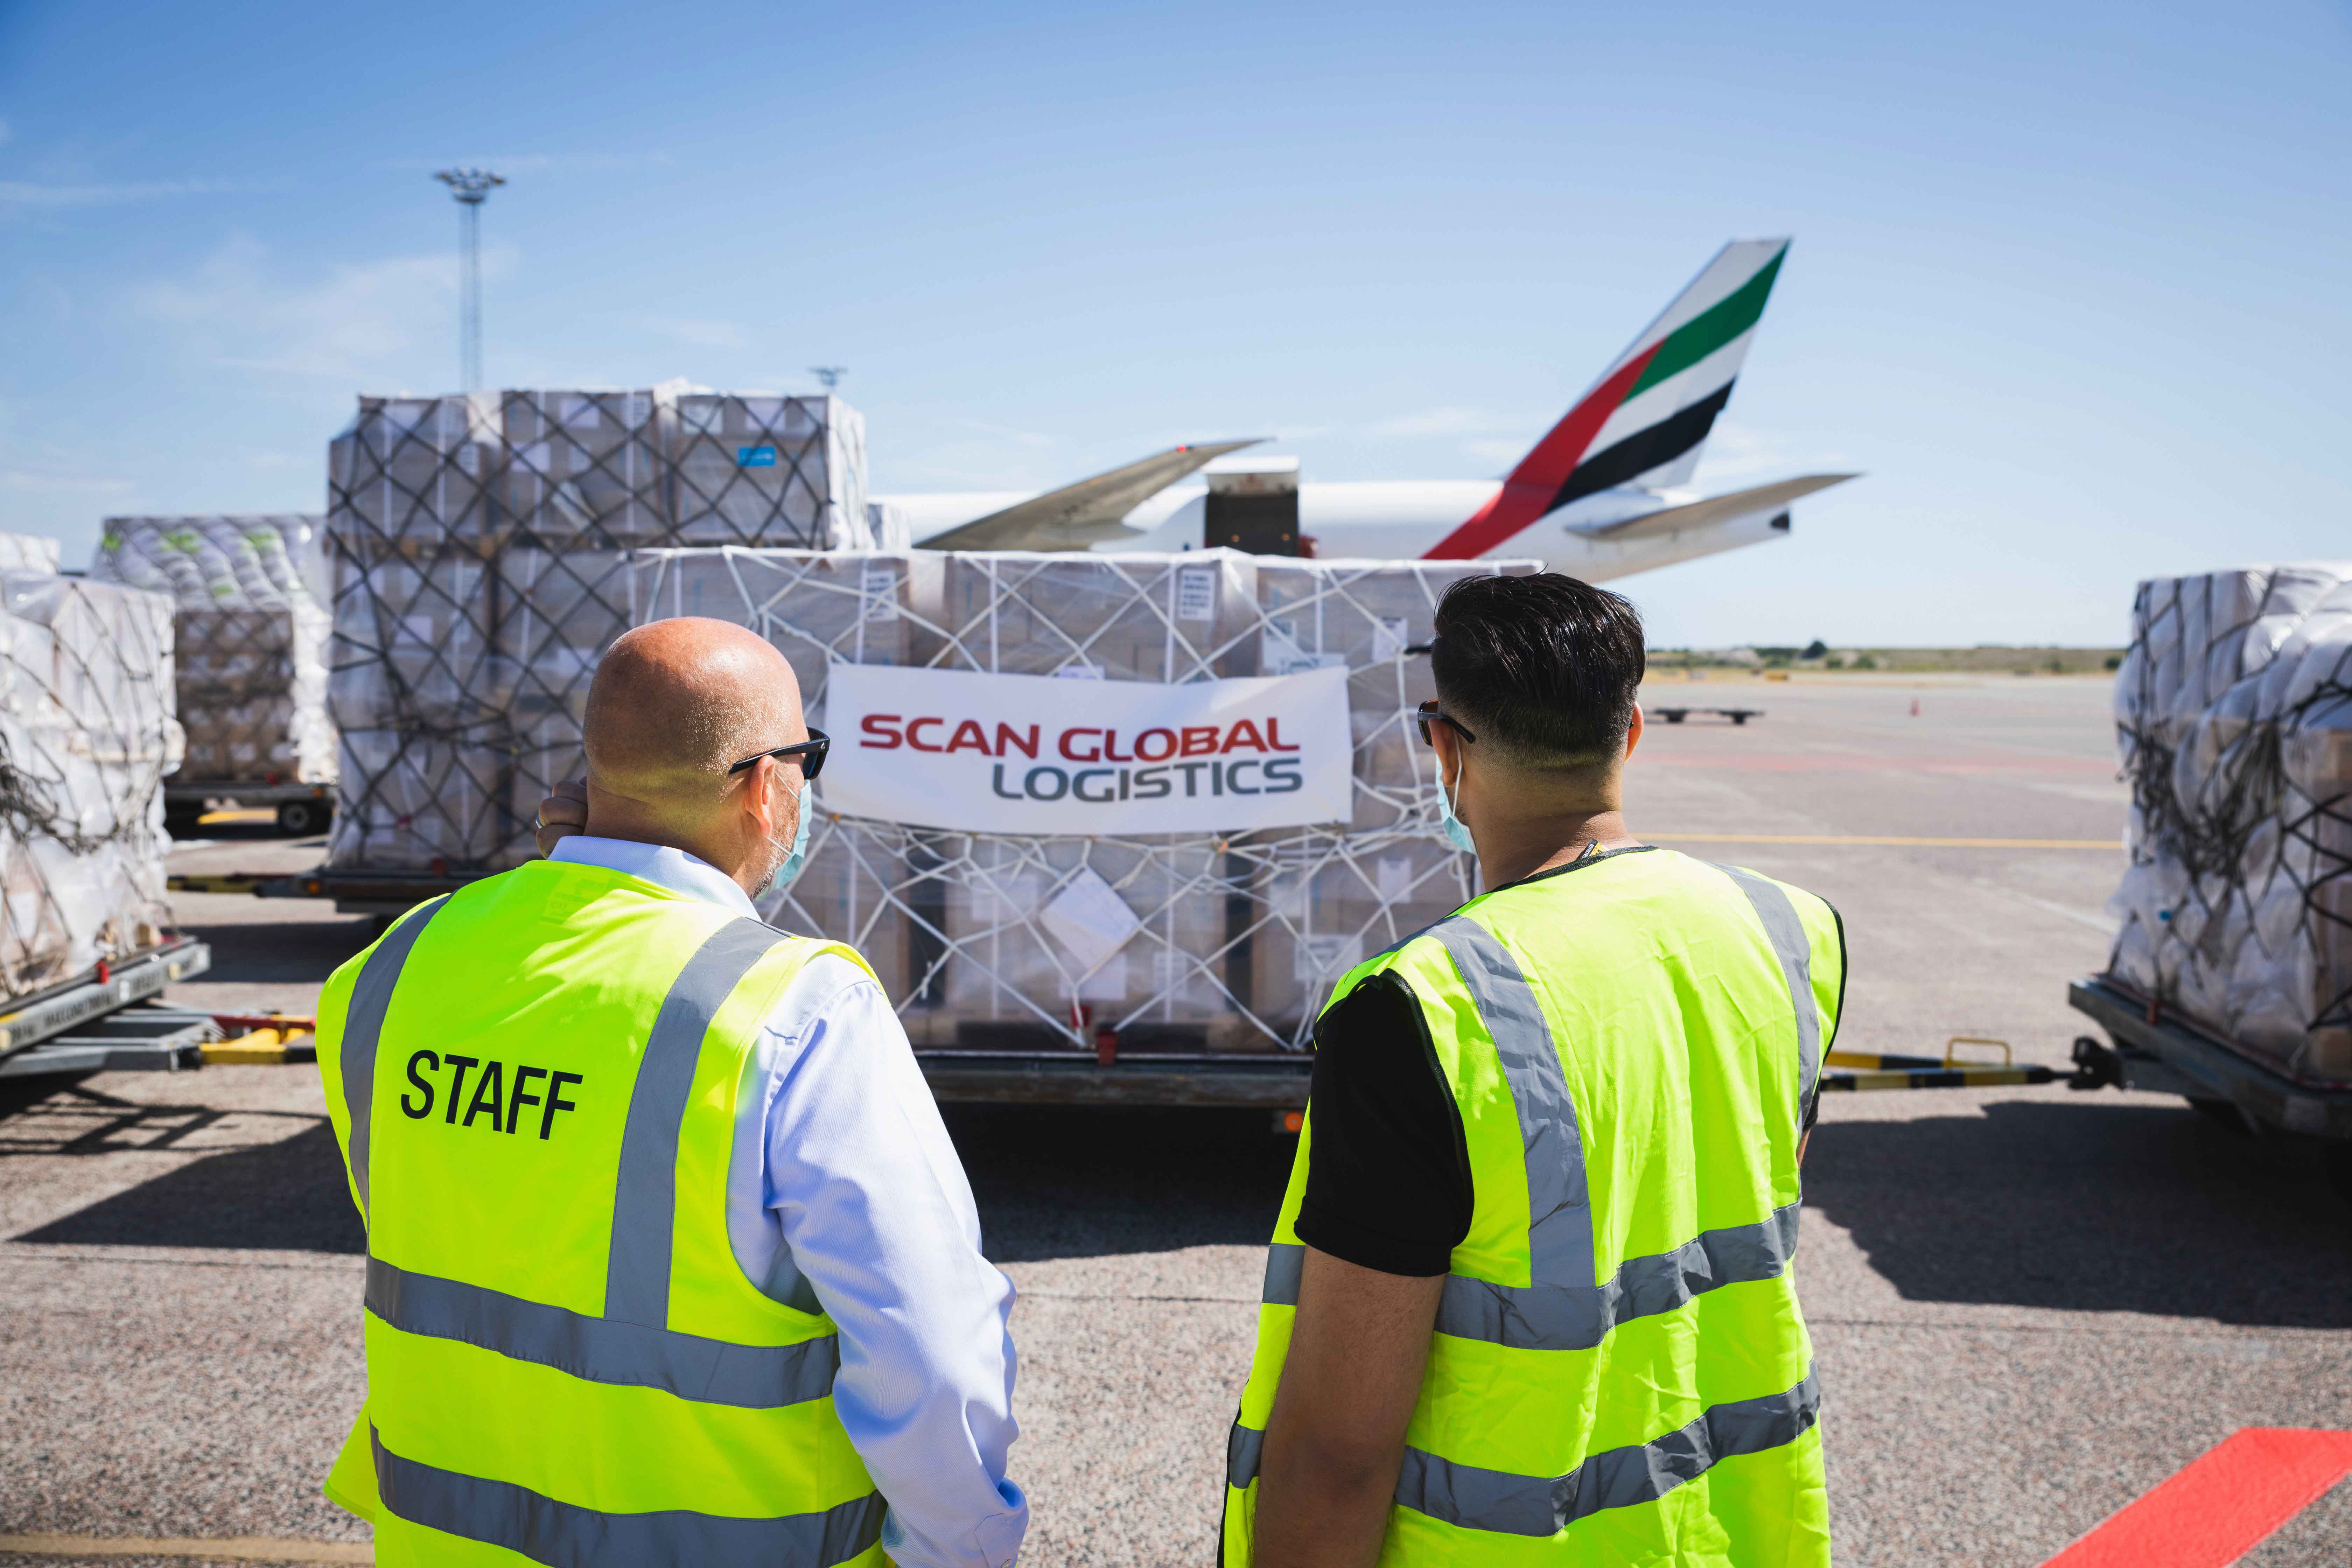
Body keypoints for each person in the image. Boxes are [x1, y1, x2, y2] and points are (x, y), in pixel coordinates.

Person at [315, 616, 1026, 1568]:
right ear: (766, 787)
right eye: (807, 757)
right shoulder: (799, 1010)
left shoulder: (391, 969)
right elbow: (934, 1362)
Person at [1221, 574, 1843, 1567]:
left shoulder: (1420, 1011)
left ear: (1446, 751)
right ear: (1631, 732)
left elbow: (1340, 1451)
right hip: (1735, 1534)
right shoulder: (1793, 931)